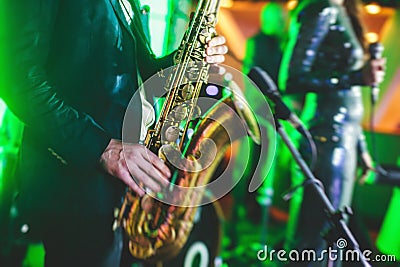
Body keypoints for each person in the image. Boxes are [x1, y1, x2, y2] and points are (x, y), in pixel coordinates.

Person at [0, 0, 227, 266]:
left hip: (122, 186)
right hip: (77, 187)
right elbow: (16, 79)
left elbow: (137, 74)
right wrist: (105, 149)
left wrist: (185, 63)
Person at [279, 0, 386, 266]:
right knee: (315, 240)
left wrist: (360, 148)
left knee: (334, 237)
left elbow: (350, 95)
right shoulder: (320, 8)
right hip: (325, 141)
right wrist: (355, 77)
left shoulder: (344, 10)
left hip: (344, 141)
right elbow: (290, 79)